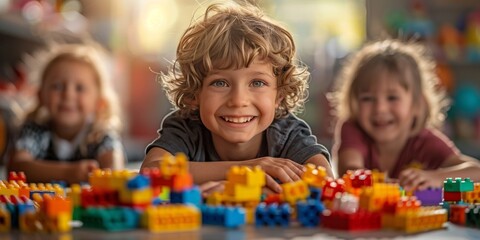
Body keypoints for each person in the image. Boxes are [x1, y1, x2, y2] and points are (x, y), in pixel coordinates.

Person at [141, 2, 333, 194]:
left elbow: (324, 178)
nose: (238, 100)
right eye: (220, 83)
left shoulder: (287, 133)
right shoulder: (186, 128)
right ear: (194, 94)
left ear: (279, 95)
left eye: (257, 83)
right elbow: (151, 171)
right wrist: (247, 170)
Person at [329, 39, 480, 191]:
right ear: (354, 101)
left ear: (416, 104)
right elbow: (349, 171)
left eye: (392, 98)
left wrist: (435, 177)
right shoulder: (352, 129)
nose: (380, 108)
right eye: (367, 99)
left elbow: (476, 171)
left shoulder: (423, 140)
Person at [9, 43, 125, 184]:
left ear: (98, 102)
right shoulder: (34, 130)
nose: (68, 95)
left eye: (80, 88)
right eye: (57, 86)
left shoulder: (100, 135)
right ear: (40, 96)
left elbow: (115, 168)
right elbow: (16, 168)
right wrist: (68, 173)